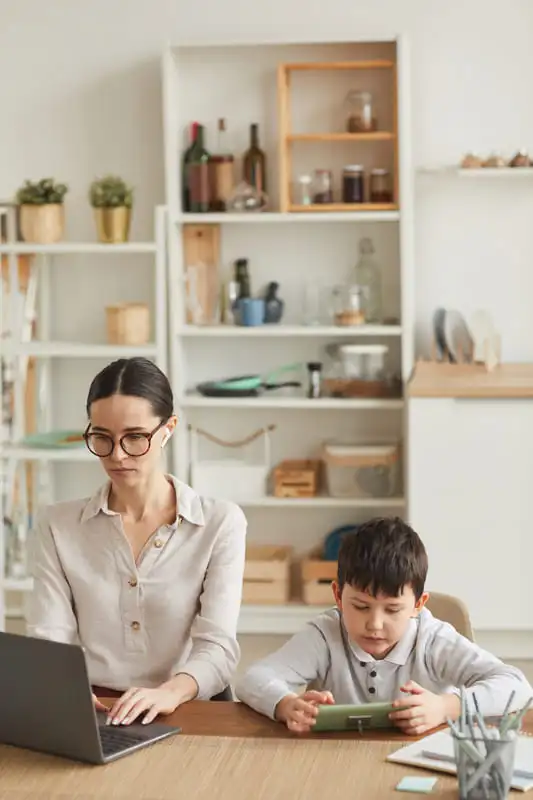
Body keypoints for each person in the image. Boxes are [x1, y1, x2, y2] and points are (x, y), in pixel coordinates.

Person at [27, 357, 247, 726]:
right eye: (101, 437)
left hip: (188, 706)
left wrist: (169, 693)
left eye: (135, 437)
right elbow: (51, 636)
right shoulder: (57, 525)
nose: (117, 455)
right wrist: (63, 690)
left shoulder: (219, 523)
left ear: (168, 429)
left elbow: (218, 647)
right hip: (93, 706)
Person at [236, 517, 532, 735]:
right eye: (360, 606)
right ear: (338, 595)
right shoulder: (326, 634)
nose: (374, 624)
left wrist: (444, 707)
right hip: (336, 761)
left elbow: (517, 687)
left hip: (419, 758)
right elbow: (253, 678)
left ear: (418, 604)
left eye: (392, 609)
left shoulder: (432, 639)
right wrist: (286, 704)